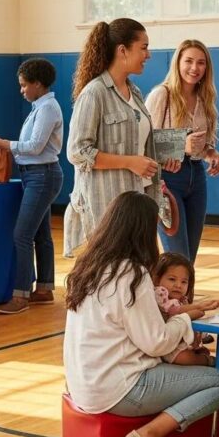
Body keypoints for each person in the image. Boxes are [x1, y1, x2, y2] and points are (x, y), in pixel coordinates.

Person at [63, 191, 219, 437]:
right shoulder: (131, 273)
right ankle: (150, 435)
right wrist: (185, 318)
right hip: (119, 388)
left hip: (84, 384)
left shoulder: (90, 266)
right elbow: (156, 342)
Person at [65, 18, 167, 257]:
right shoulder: (94, 93)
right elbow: (77, 152)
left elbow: (142, 144)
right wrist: (130, 162)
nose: (148, 55)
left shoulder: (135, 92)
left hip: (140, 203)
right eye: (143, 47)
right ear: (122, 50)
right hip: (108, 210)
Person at [0, 58, 64, 315]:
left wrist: (2, 143)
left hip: (42, 175)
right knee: (41, 234)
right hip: (36, 174)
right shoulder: (41, 106)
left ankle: (21, 294)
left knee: (22, 235)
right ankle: (45, 287)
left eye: (24, 85)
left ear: (38, 84)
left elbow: (35, 147)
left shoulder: (47, 108)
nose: (22, 90)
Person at [146, 40, 219, 261]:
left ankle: (183, 297)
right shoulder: (162, 95)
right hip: (167, 179)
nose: (194, 68)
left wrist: (210, 153)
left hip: (196, 177)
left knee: (190, 257)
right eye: (188, 61)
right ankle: (172, 296)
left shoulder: (204, 98)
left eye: (201, 63)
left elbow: (201, 143)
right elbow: (143, 143)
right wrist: (180, 146)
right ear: (177, 63)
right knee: (177, 256)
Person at [152, 251, 219, 366]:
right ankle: (206, 361)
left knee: (196, 350)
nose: (178, 285)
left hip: (181, 341)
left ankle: (202, 357)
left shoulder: (182, 299)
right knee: (184, 358)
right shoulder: (160, 295)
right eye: (172, 279)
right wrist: (198, 307)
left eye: (184, 282)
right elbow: (172, 311)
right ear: (157, 279)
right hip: (167, 346)